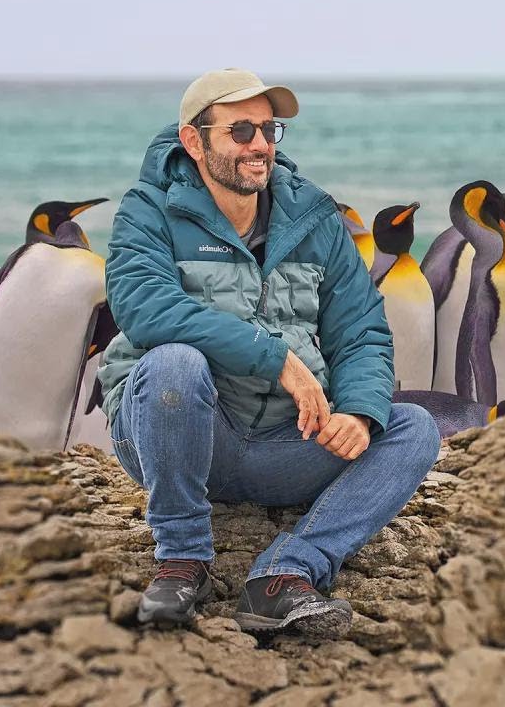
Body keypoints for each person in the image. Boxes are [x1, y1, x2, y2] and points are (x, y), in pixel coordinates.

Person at [97, 68, 439, 638]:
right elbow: (146, 309)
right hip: (178, 435)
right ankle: (182, 560)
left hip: (287, 444)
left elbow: (360, 330)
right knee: (174, 362)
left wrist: (358, 411)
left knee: (413, 428)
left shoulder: (314, 219)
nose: (260, 144)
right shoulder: (148, 210)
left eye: (268, 130)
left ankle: (285, 574)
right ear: (194, 141)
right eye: (241, 131)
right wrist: (275, 358)